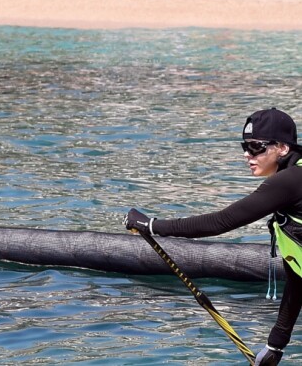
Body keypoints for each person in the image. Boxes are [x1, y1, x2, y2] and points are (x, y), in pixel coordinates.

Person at [125, 107, 302, 366]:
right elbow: (298, 277)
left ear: (282, 148)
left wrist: (152, 226)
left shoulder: (291, 181)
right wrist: (275, 344)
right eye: (245, 146)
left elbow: (221, 222)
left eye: (256, 147)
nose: (247, 154)